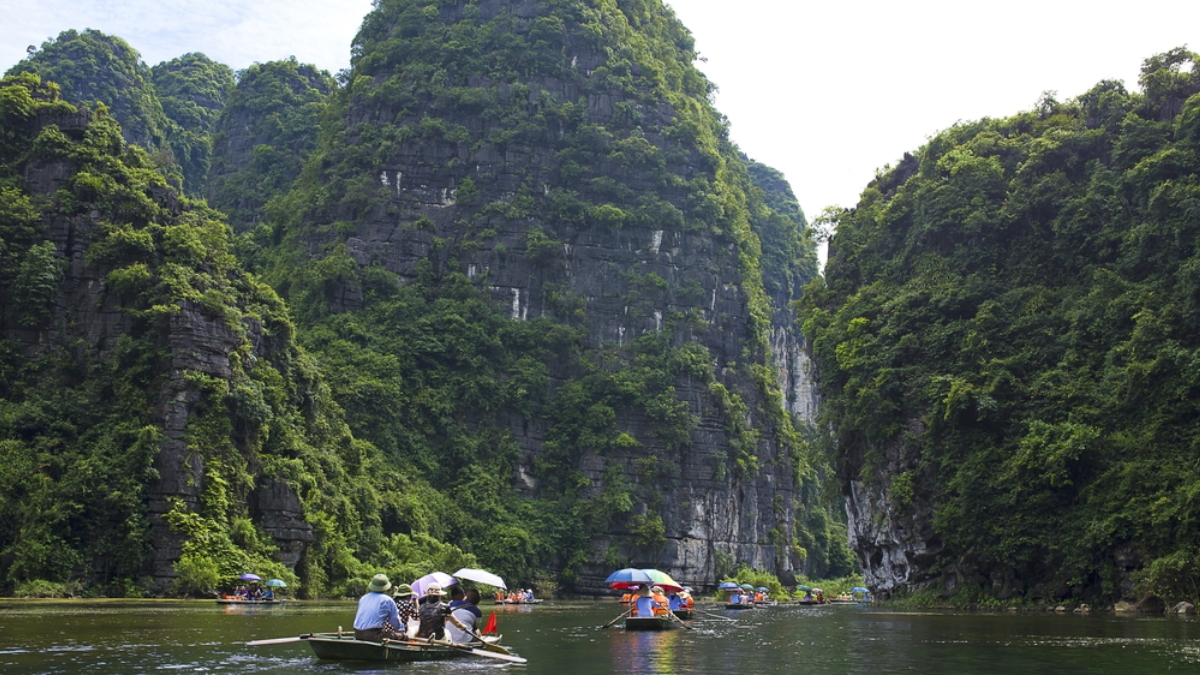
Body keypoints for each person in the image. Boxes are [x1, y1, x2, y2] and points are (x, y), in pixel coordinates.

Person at [354, 574, 403, 642]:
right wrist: (401, 632)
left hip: (357, 634)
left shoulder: (363, 598)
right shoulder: (387, 600)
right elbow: (395, 621)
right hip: (374, 635)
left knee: (385, 632)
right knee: (402, 637)